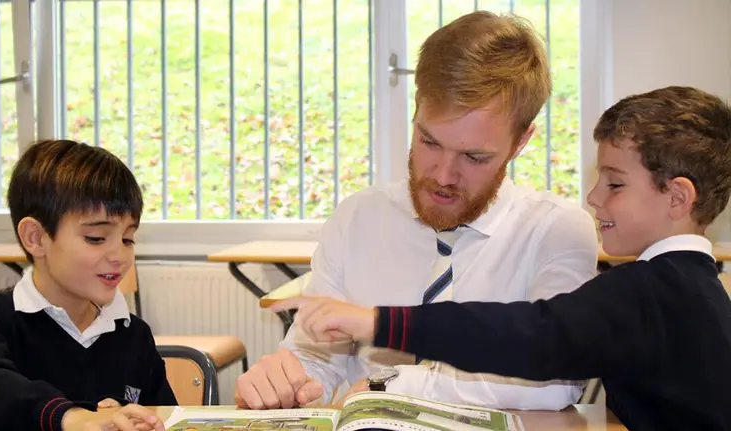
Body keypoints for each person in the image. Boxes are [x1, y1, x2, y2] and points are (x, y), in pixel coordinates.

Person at [273, 86, 731, 431]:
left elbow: (525, 336)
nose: (592, 197)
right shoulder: (688, 287)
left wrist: (379, 323)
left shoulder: (645, 294)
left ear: (677, 197)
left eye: (613, 183)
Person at [234, 11, 599, 411]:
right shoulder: (358, 218)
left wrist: (399, 384)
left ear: (521, 142)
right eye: (429, 141)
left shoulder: (556, 231)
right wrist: (284, 380)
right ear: (416, 108)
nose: (443, 175)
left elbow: (554, 380)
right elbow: (316, 358)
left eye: (474, 157)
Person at [0, 140, 175, 431]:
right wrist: (74, 417)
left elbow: (165, 415)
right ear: (36, 238)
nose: (119, 256)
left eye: (128, 239)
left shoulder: (133, 336)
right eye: (96, 238)